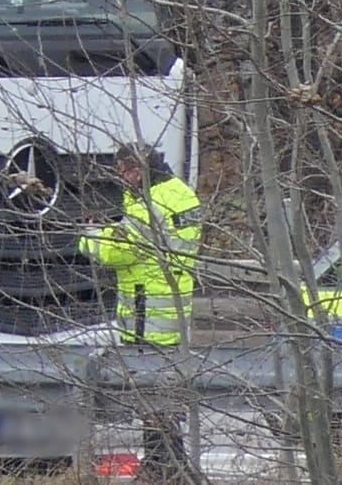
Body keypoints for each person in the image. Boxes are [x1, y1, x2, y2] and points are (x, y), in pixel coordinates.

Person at [78, 141, 202, 484]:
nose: (124, 179)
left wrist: (88, 235)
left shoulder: (149, 207)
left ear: (139, 169)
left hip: (147, 312)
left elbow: (117, 253)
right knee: (163, 393)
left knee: (152, 395)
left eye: (126, 172)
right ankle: (166, 466)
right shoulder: (181, 193)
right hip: (176, 304)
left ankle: (164, 468)